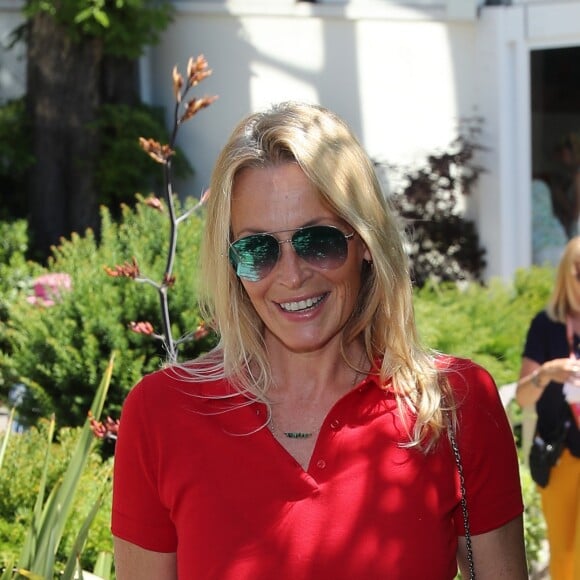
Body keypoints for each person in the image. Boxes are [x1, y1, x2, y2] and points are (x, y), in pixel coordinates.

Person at [111, 102, 527, 579]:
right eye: (256, 249)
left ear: (366, 243)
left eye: (318, 241)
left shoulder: (453, 406)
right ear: (231, 263)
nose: (291, 276)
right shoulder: (163, 414)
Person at [517, 236, 580, 580]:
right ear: (567, 276)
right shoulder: (546, 326)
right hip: (560, 455)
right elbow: (524, 397)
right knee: (565, 554)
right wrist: (548, 373)